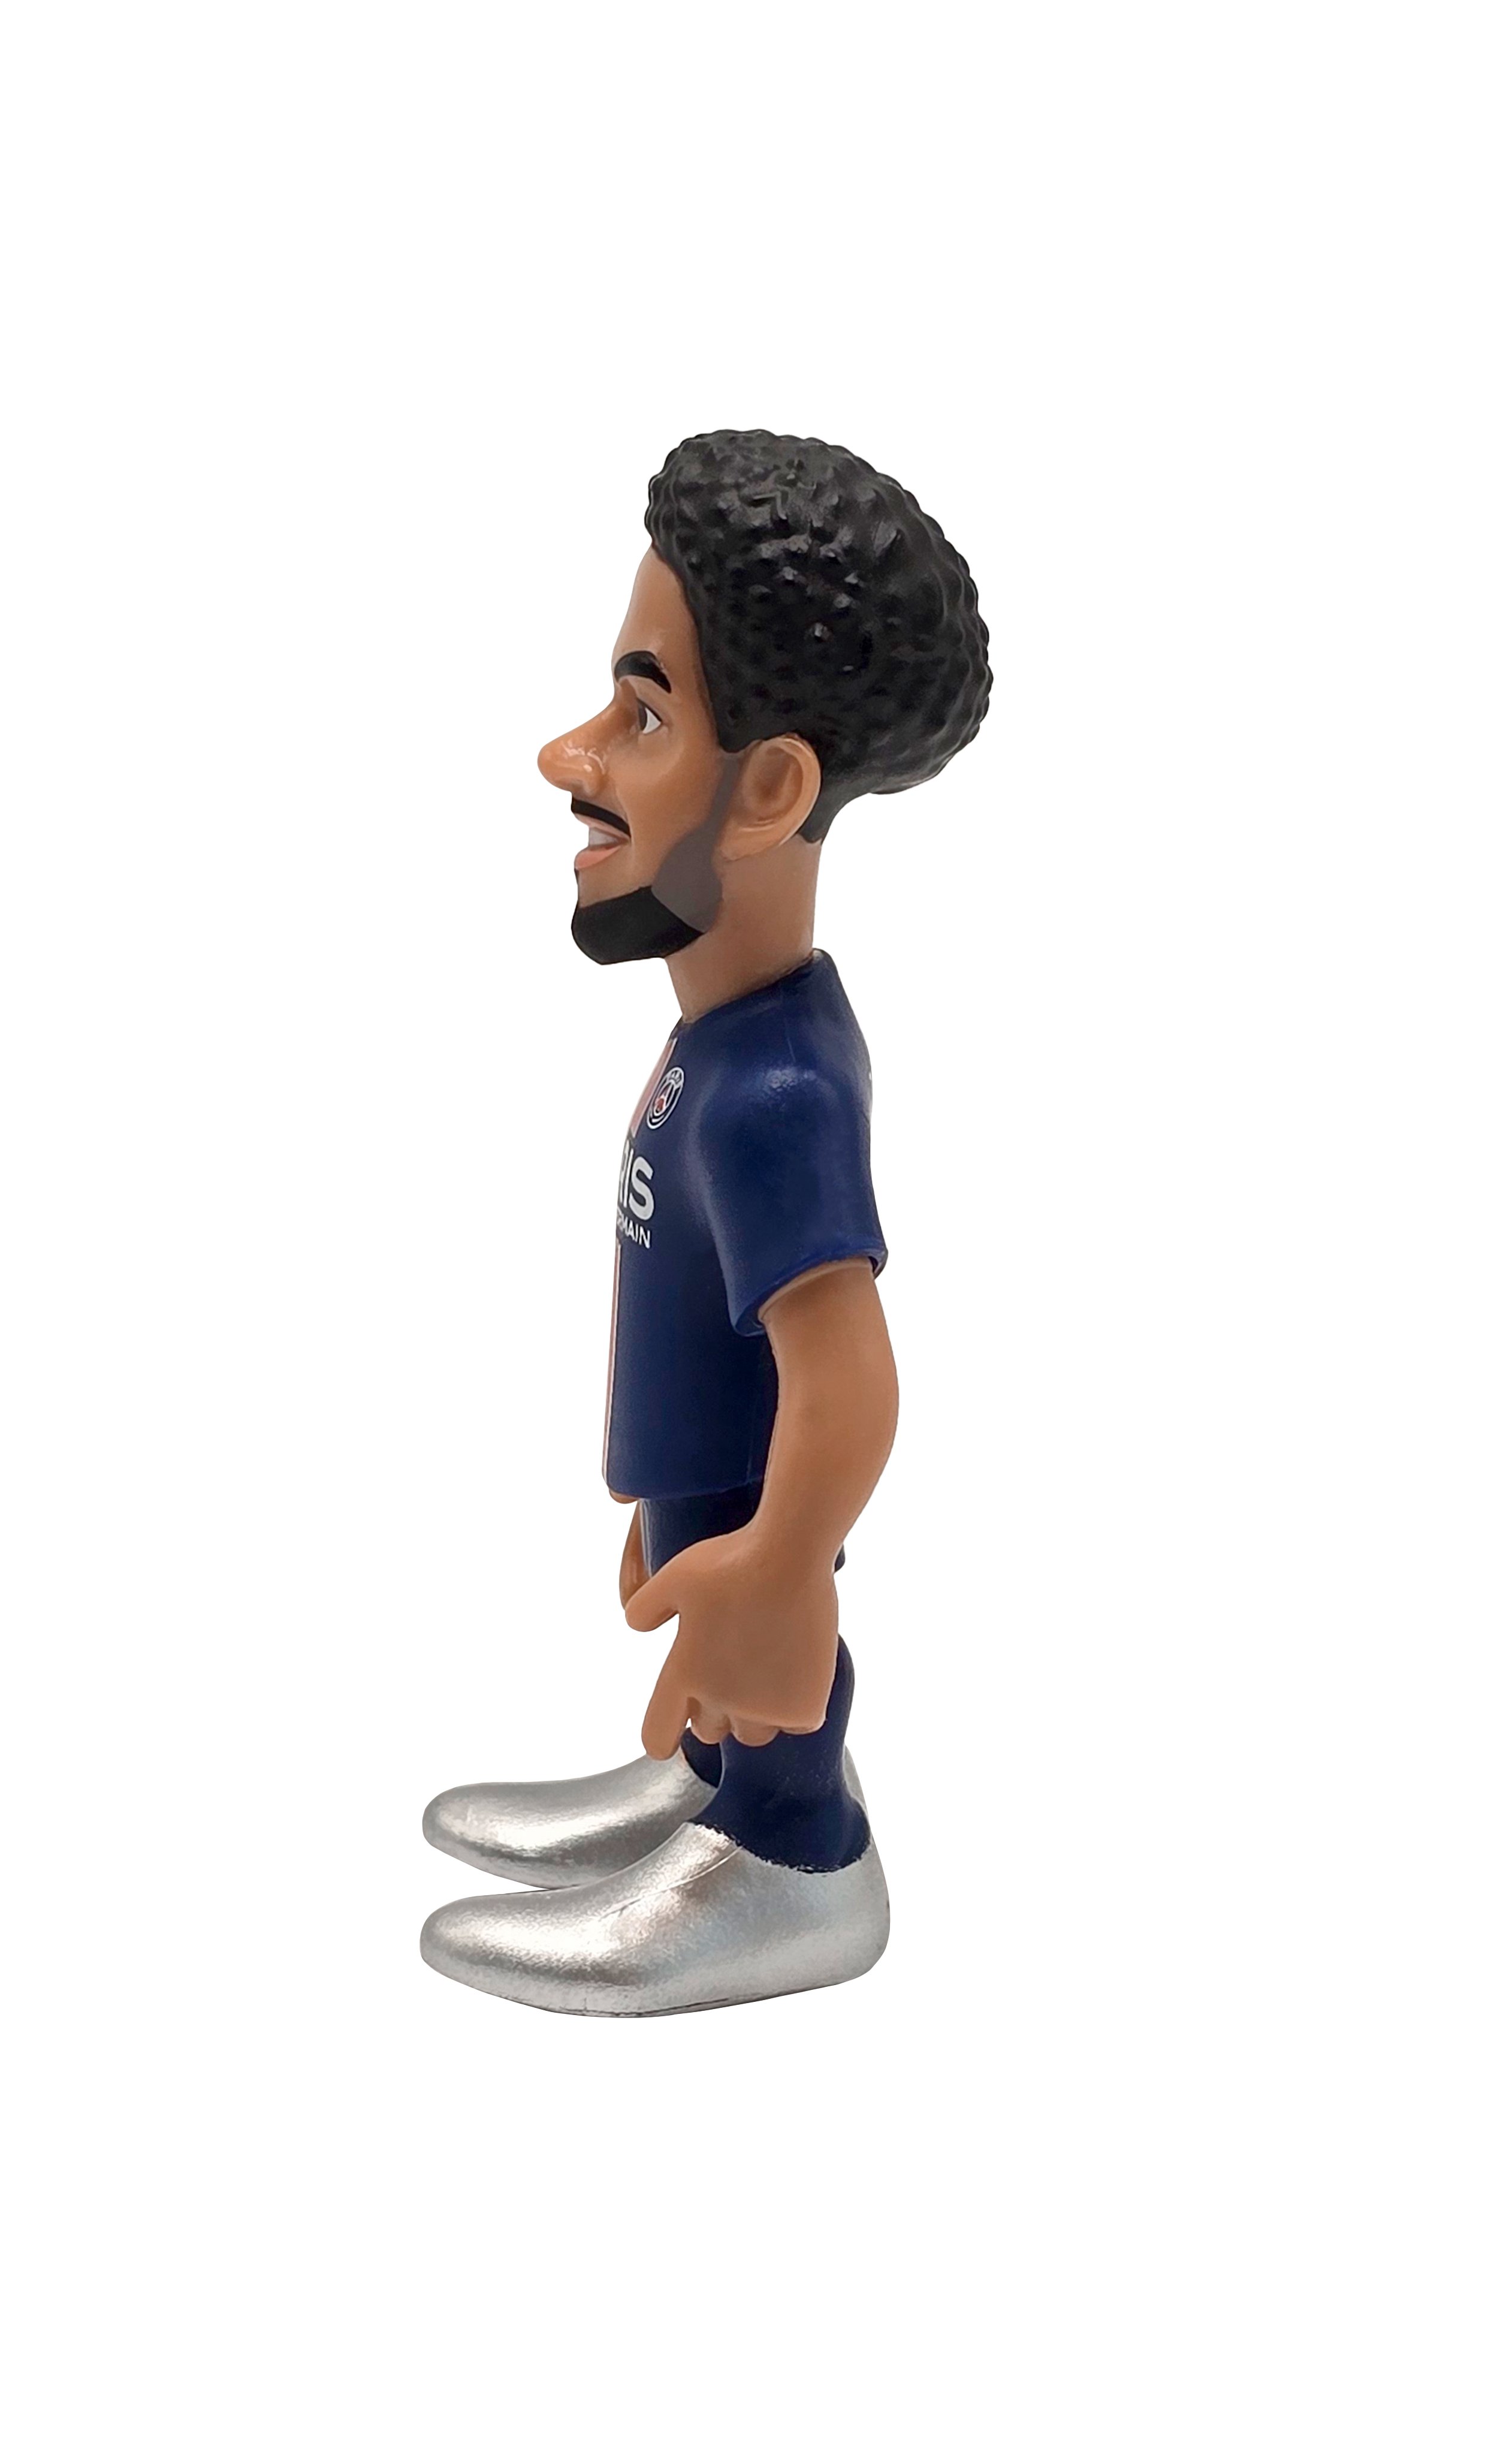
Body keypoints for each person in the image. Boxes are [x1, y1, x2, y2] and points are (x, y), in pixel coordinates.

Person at [418, 430, 991, 2014]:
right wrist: (677, 1498)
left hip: (749, 1515)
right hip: (710, 1488)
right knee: (727, 1676)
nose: (573, 755)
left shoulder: (774, 1094)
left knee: (770, 1674)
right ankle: (709, 1783)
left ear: (775, 789)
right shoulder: (729, 1042)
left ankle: (793, 1855)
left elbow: (849, 1375)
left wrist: (784, 1566)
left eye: (646, 714)